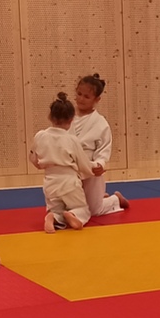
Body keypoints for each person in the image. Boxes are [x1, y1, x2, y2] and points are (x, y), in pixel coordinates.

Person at [31, 92, 95, 233]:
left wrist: (41, 165)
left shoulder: (40, 136)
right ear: (72, 119)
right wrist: (91, 171)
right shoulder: (71, 139)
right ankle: (73, 215)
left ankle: (53, 216)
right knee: (82, 208)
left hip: (50, 182)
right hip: (69, 182)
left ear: (50, 117)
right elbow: (83, 164)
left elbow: (34, 159)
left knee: (56, 208)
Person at [69, 74, 130, 218]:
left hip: (91, 169)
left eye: (86, 96)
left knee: (93, 211)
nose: (81, 99)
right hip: (69, 168)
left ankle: (115, 200)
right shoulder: (67, 116)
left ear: (97, 100)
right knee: (70, 208)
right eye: (79, 94)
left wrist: (100, 163)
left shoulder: (100, 123)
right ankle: (101, 197)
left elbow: (104, 148)